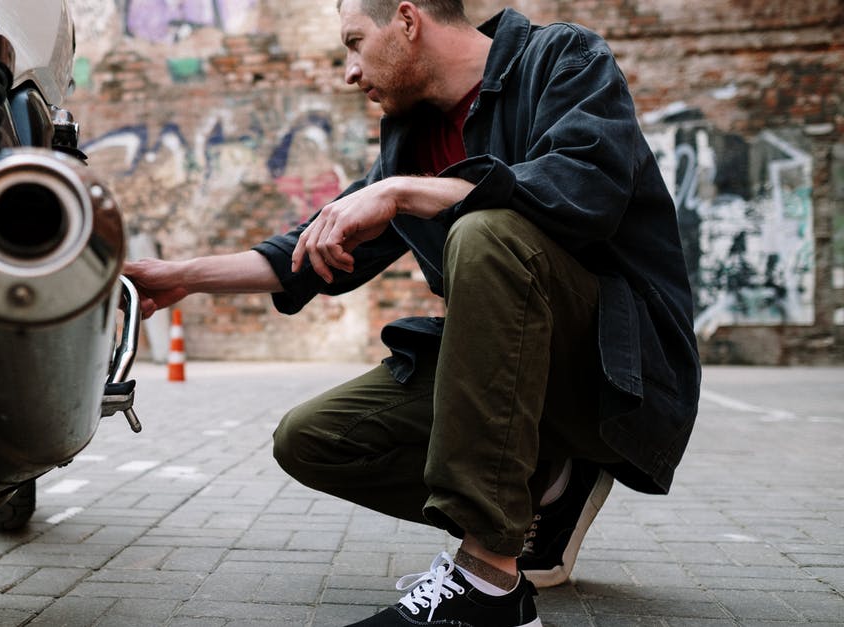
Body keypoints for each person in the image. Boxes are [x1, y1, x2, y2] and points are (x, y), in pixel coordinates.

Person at [124, 0, 701, 625]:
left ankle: (488, 584)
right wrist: (177, 277)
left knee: (487, 232)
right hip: (516, 380)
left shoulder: (562, 58)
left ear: (406, 19)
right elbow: (310, 247)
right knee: (314, 439)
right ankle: (548, 488)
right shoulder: (413, 136)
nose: (349, 72)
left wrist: (402, 193)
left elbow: (583, 187)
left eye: (353, 43)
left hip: (620, 376)